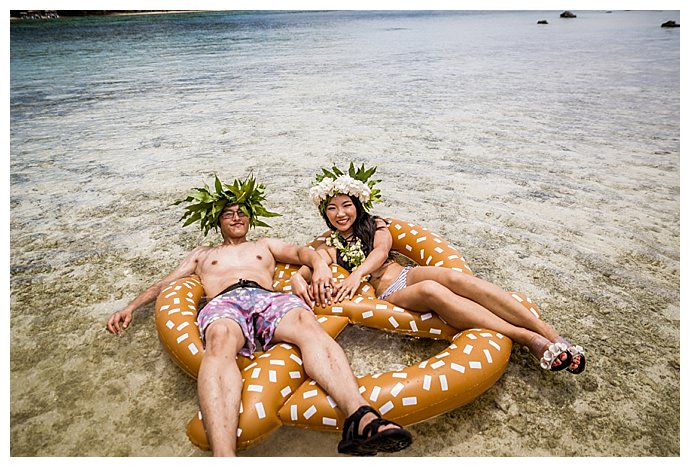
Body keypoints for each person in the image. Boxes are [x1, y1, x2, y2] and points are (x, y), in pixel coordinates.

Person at [106, 174, 413, 457]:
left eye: (242, 213)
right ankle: (224, 456)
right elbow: (165, 283)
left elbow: (302, 253)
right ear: (218, 221)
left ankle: (361, 417)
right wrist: (130, 307)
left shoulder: (263, 245)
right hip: (225, 302)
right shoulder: (203, 254)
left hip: (267, 298)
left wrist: (319, 267)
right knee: (220, 339)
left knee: (309, 326)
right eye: (229, 213)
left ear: (250, 219)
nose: (237, 218)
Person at [291, 163, 586, 375]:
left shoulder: (375, 224)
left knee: (455, 279)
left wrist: (356, 273)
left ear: (357, 204)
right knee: (432, 290)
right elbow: (308, 265)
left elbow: (381, 251)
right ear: (325, 213)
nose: (340, 213)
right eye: (331, 208)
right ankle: (528, 339)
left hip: (407, 274)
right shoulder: (331, 246)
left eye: (346, 205)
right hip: (390, 293)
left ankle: (551, 334)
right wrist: (300, 277)